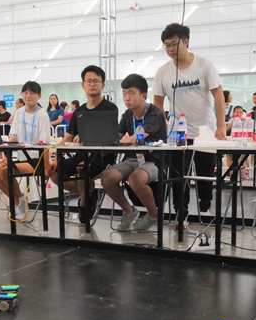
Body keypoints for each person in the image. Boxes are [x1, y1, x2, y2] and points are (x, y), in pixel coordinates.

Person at [153, 22, 226, 218]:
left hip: (205, 132)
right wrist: (163, 130)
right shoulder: (162, 72)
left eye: (174, 44)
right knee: (178, 176)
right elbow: (158, 104)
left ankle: (205, 208)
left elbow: (218, 95)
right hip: (178, 134)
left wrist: (221, 127)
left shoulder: (204, 65)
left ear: (186, 42)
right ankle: (181, 213)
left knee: (205, 174)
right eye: (166, 45)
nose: (170, 49)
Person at [47, 65, 118, 221]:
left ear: (103, 85)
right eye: (89, 81)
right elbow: (68, 137)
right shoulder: (79, 111)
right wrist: (57, 158)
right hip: (82, 155)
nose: (92, 84)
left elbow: (108, 138)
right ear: (83, 85)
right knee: (54, 172)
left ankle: (84, 202)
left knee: (82, 170)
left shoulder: (109, 108)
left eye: (96, 81)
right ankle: (89, 193)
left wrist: (90, 155)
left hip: (103, 155)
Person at [102, 73, 167, 232]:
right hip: (132, 159)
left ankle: (153, 214)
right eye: (124, 93)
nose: (126, 97)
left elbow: (135, 138)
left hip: (154, 160)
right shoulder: (128, 115)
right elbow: (116, 135)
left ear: (143, 95)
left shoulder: (155, 113)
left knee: (135, 178)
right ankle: (129, 211)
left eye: (131, 93)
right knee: (107, 177)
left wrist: (115, 141)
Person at [0, 81, 51, 218]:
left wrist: (46, 167)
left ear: (39, 96)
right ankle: (19, 201)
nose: (28, 95)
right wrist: (7, 157)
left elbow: (46, 145)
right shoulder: (18, 113)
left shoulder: (42, 115)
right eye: (25, 92)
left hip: (36, 160)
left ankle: (18, 203)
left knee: (5, 172)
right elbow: (13, 138)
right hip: (20, 158)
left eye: (32, 93)